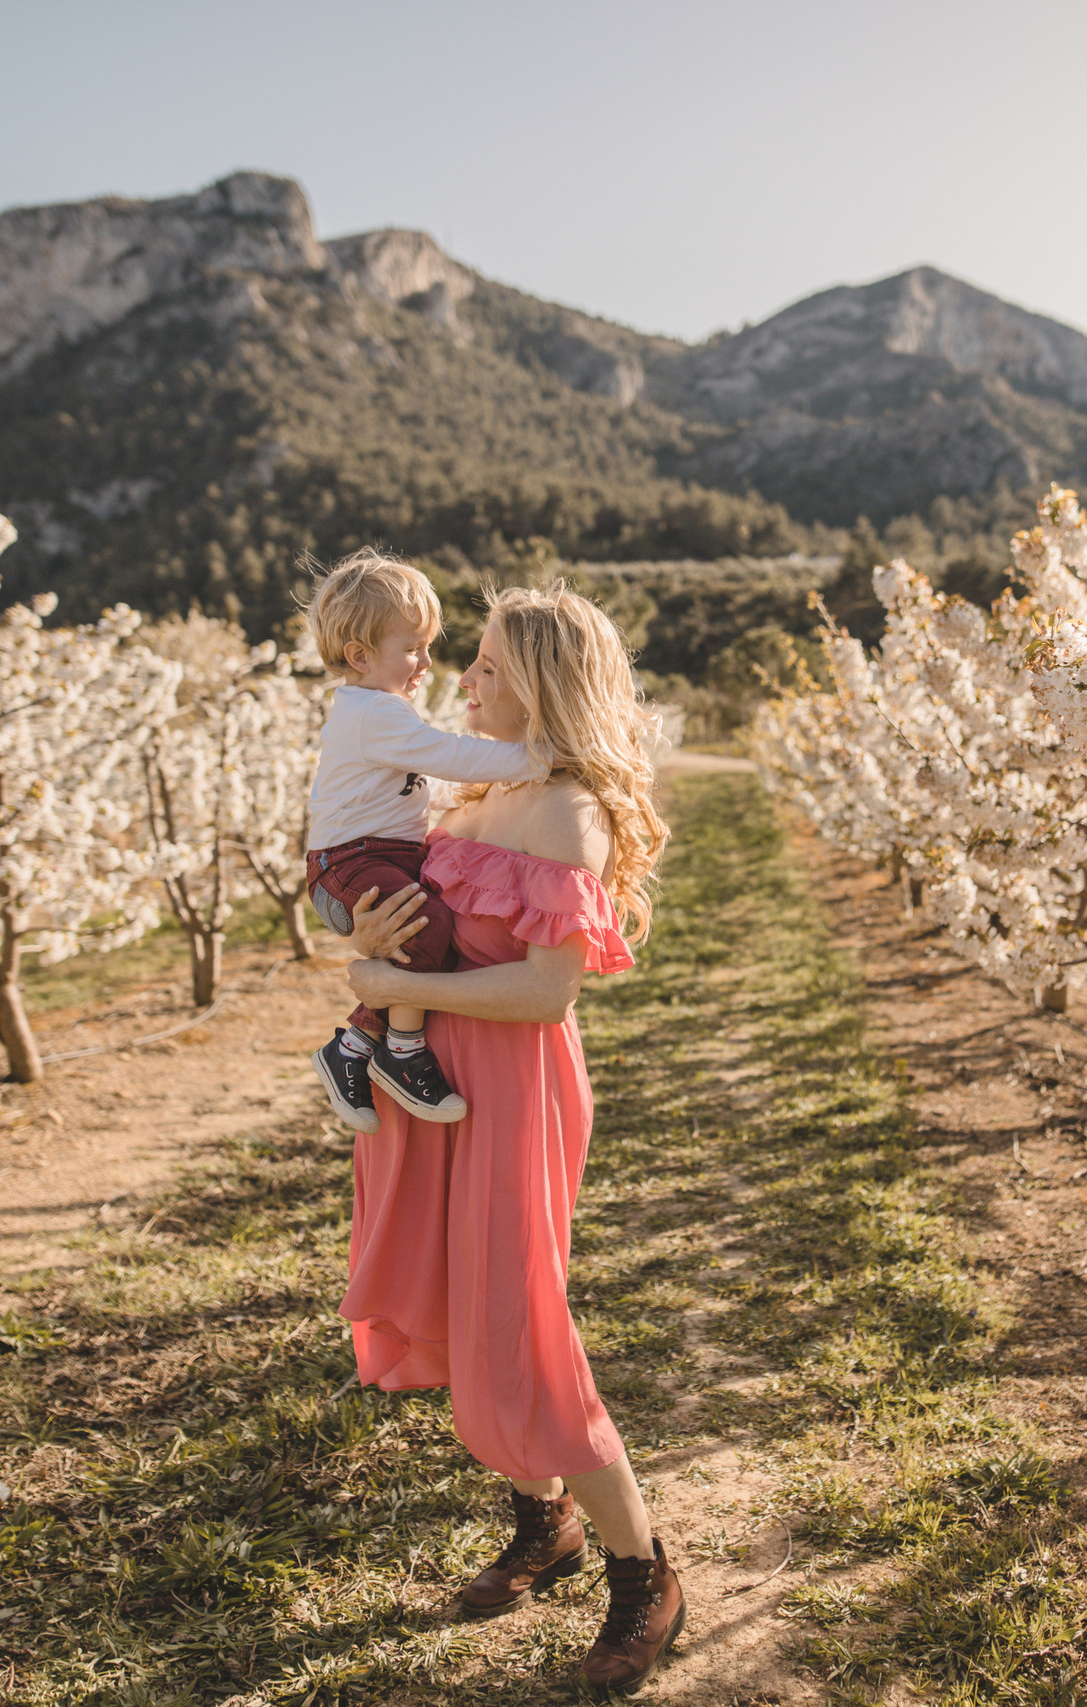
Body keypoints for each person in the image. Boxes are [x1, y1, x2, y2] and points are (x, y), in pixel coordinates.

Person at [337, 582, 684, 1697]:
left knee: (519, 1319)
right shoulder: (465, 796)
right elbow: (413, 921)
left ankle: (644, 1575)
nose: (465, 681)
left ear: (539, 679)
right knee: (451, 1294)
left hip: (510, 1080)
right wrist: (379, 942)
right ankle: (543, 1524)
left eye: (484, 664)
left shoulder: (564, 812)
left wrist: (387, 977)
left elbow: (541, 994)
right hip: (430, 1080)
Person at [301, 551, 545, 1132]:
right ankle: (401, 1050)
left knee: (424, 925)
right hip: (354, 861)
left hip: (372, 857)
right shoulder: (375, 712)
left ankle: (355, 1048)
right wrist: (537, 757)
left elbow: (422, 782)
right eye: (413, 649)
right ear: (361, 656)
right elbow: (451, 756)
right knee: (427, 928)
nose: (428, 664)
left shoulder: (377, 712)